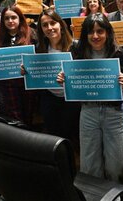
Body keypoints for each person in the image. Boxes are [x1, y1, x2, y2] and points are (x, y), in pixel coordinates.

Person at [57, 13, 123, 182]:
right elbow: (72, 82)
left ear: (107, 32)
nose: (95, 36)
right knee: (90, 164)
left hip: (114, 114)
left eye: (100, 31)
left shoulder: (120, 55)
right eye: (90, 32)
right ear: (85, 35)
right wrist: (65, 80)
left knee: (114, 167)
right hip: (89, 112)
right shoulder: (78, 56)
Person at [0, 5, 37, 125]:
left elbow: (39, 57)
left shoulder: (31, 34)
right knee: (13, 115)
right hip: (7, 85)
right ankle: (19, 135)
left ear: (20, 19)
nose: (10, 21)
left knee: (28, 112)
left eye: (13, 17)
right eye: (7, 18)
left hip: (27, 83)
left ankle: (29, 136)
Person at [34, 9, 80, 145]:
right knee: (55, 135)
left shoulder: (76, 47)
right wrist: (28, 71)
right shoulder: (39, 48)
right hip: (49, 99)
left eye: (53, 23)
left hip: (71, 99)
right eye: (44, 25)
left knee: (71, 134)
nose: (49, 28)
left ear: (60, 24)